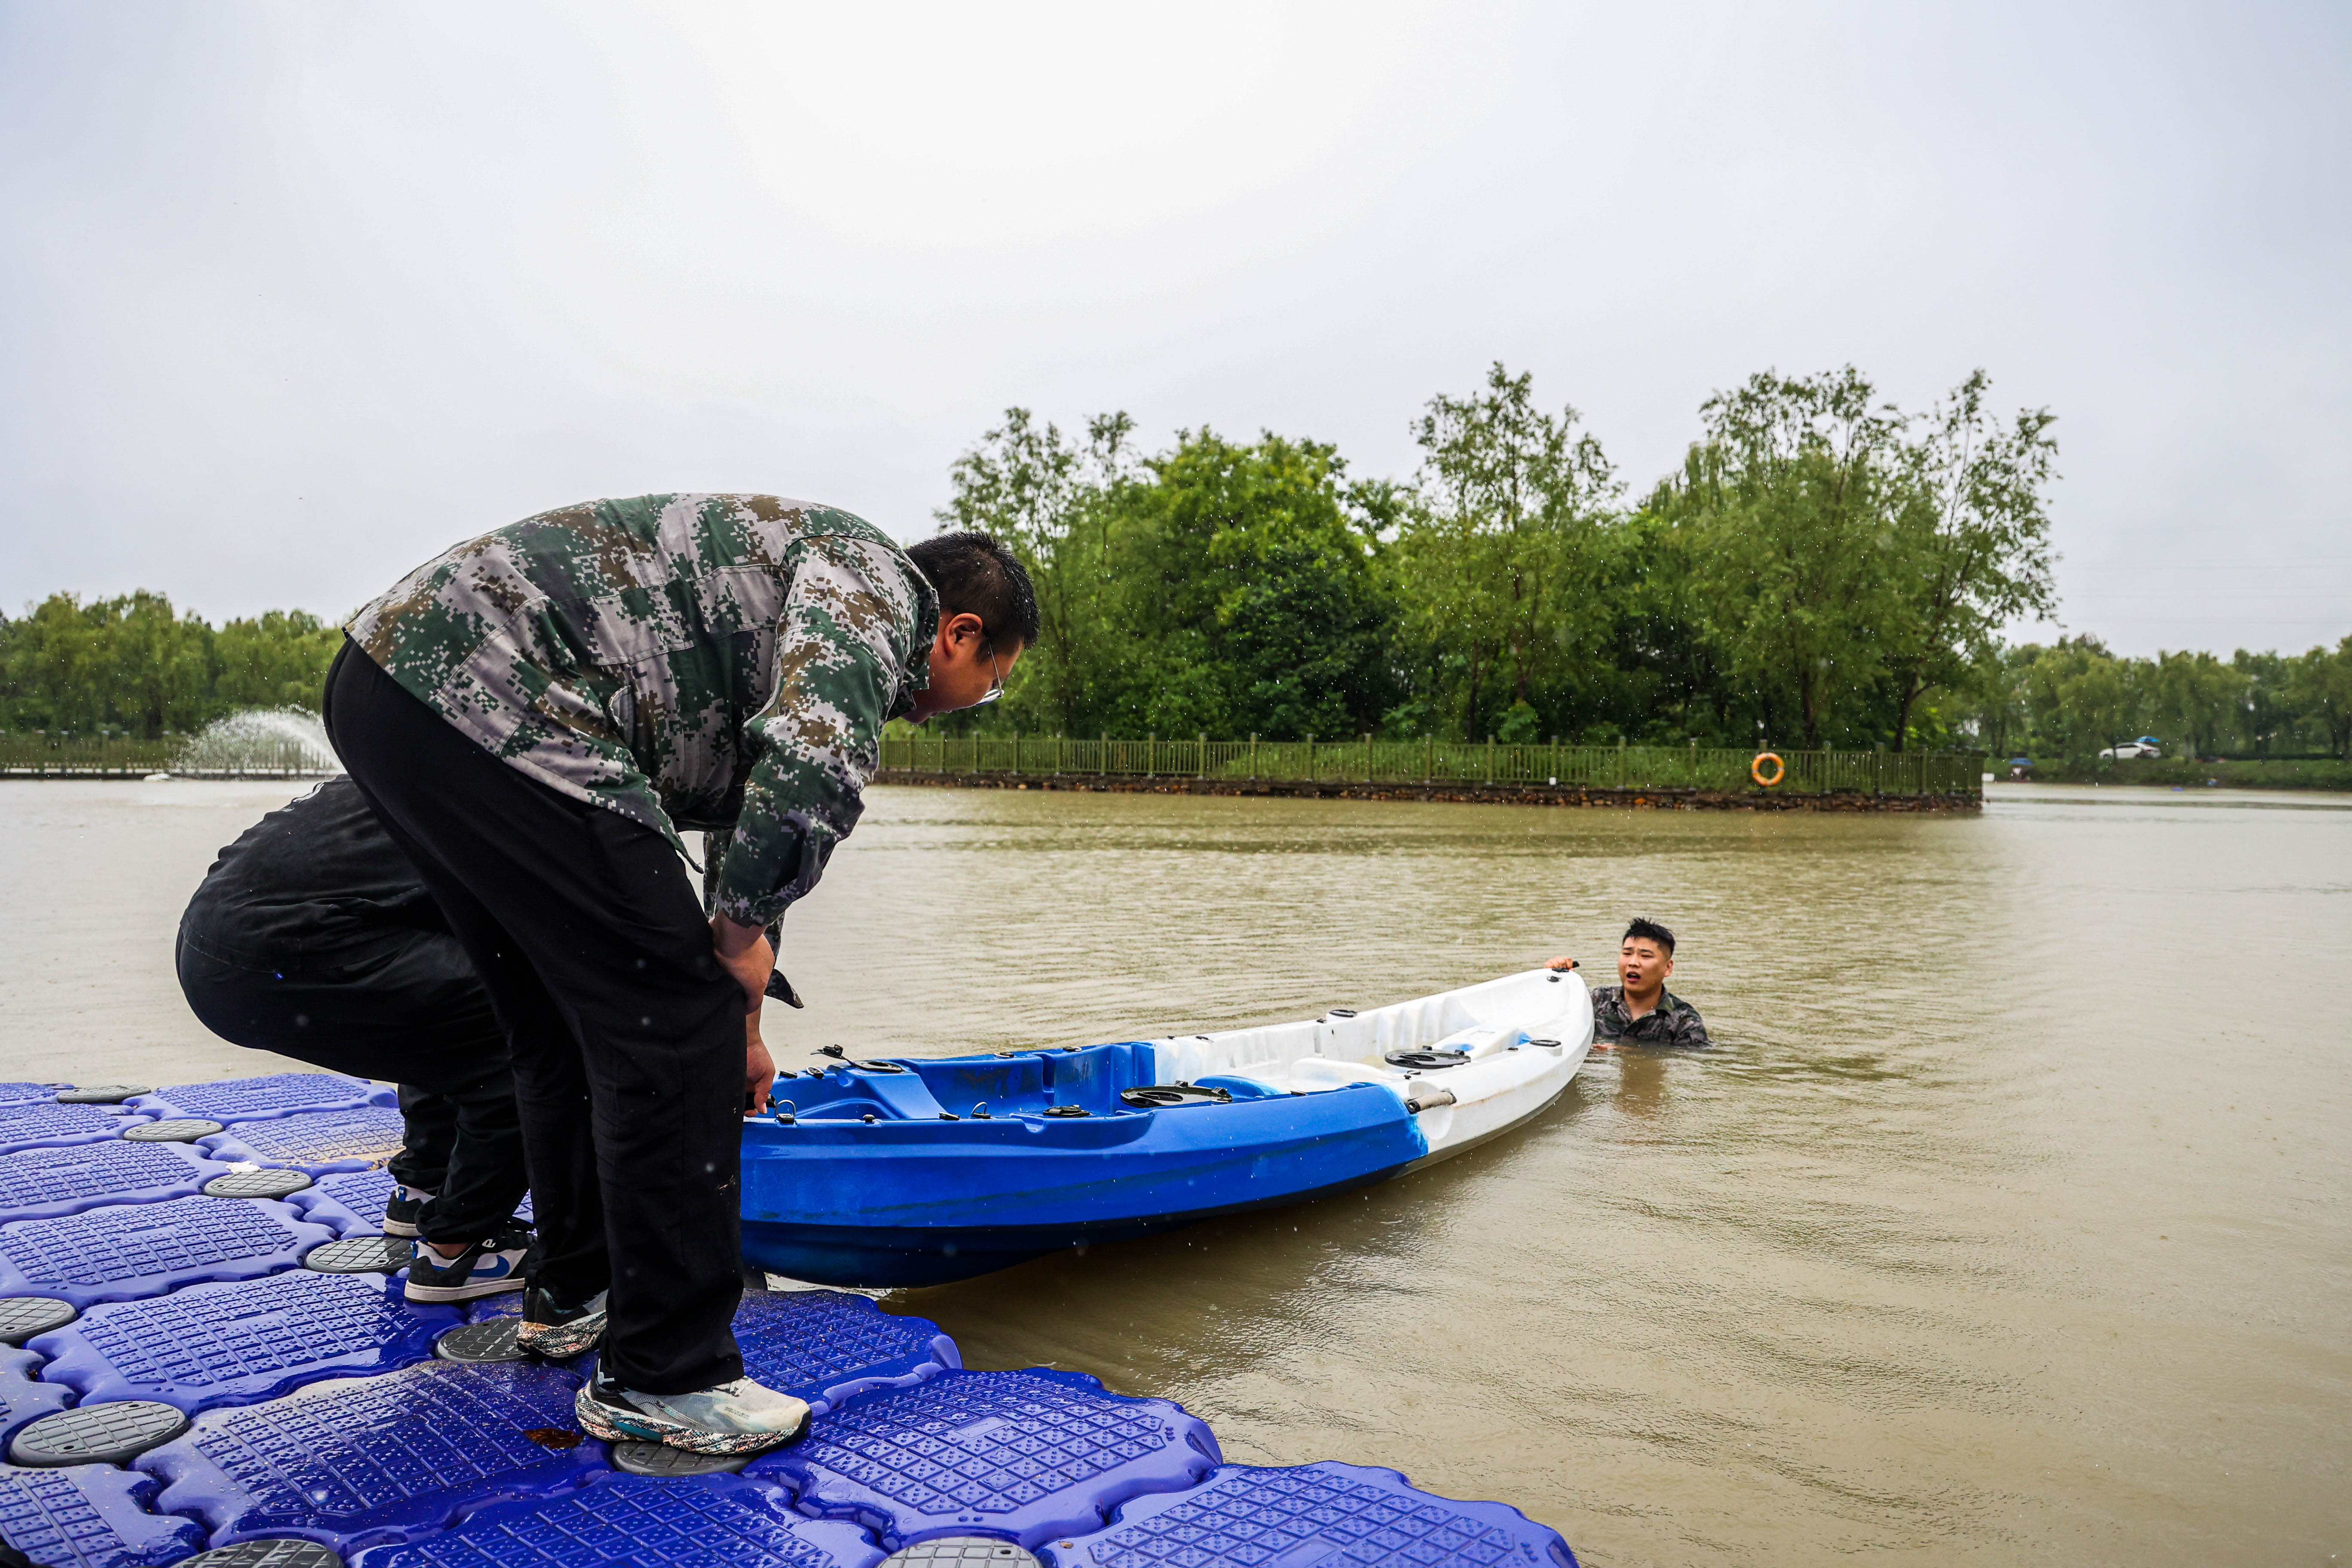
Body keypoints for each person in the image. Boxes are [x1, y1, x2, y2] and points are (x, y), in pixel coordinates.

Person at [323, 497, 1029, 1458]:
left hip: (390, 685)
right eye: (991, 685)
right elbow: (815, 761)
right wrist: (726, 964)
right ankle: (667, 1374)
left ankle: (575, 1294)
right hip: (492, 692)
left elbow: (751, 808)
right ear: (961, 634)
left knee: (555, 1013)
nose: (973, 706)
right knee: (672, 1012)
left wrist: (745, 1015)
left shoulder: (794, 598)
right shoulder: (878, 585)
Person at [177, 777, 530, 1300]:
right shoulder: (535, 801)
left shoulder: (418, 761)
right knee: (527, 1029)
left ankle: (423, 1189)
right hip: (284, 952)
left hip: (206, 949)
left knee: (447, 1011)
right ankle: (460, 1248)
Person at [1547, 917, 1710, 1047]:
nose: (1633, 962)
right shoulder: (1596, 1001)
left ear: (1668, 968)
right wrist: (1556, 981)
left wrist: (1627, 1053)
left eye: (1645, 956)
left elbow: (1690, 1062)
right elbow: (1552, 1022)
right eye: (1627, 953)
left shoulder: (1683, 1020)